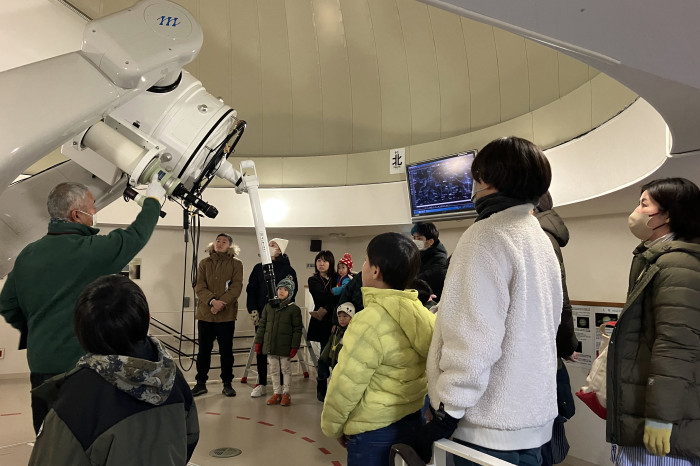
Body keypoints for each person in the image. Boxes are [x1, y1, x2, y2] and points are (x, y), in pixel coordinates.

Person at [414, 136, 562, 465]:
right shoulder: (538, 238)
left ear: (489, 180)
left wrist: (447, 412)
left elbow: (473, 336)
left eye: (476, 178)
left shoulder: (485, 236)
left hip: (484, 426)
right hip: (532, 421)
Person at [0, 180, 164, 434]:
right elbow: (136, 236)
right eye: (92, 206)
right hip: (82, 368)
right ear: (76, 215)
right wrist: (153, 201)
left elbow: (7, 304)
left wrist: (37, 329)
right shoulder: (90, 251)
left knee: (47, 437)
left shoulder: (28, 254)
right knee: (83, 439)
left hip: (41, 366)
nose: (94, 212)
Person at [28, 274, 199, 465]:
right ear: (147, 318)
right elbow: (190, 435)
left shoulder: (77, 398)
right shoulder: (173, 378)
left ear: (81, 329)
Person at [321, 232, 436, 466]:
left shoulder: (368, 321)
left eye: (365, 261)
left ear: (375, 271)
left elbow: (346, 385)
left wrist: (333, 426)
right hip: (413, 423)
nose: (362, 267)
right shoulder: (425, 317)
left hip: (373, 432)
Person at [608, 178, 700, 465]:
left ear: (667, 214)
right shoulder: (655, 257)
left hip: (664, 420)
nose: (636, 211)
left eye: (644, 204)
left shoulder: (677, 264)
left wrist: (662, 416)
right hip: (644, 402)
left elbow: (676, 345)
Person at [533, 192, 578, 465]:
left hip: (538, 352)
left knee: (542, 436)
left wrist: (566, 344)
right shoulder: (545, 234)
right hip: (544, 351)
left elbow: (559, 301)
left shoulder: (537, 236)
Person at [191, 233, 244, 397]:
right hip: (205, 315)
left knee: (226, 351)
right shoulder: (204, 263)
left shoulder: (236, 264)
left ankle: (227, 384)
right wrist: (212, 302)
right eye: (218, 241)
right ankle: (201, 383)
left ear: (230, 246)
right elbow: (199, 286)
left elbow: (236, 287)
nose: (220, 243)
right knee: (203, 351)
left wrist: (221, 304)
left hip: (226, 316)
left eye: (224, 241)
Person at [246, 237, 298, 398]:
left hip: (281, 317)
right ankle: (261, 383)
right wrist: (253, 310)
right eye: (269, 245)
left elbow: (292, 293)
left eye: (273, 245)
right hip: (263, 316)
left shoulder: (289, 270)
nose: (269, 247)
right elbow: (251, 290)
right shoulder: (258, 268)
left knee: (280, 351)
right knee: (261, 349)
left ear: (280, 249)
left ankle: (281, 387)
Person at [254, 277, 302, 407]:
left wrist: (294, 346)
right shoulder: (268, 307)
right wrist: (259, 342)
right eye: (280, 288)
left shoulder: (294, 309)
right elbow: (262, 325)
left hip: (285, 347)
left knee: (286, 370)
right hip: (270, 346)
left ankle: (286, 393)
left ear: (290, 293)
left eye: (285, 289)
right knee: (274, 370)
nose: (281, 291)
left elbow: (297, 330)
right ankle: (276, 393)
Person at [308, 250, 339, 401]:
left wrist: (327, 307)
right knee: (324, 356)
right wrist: (336, 296)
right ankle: (321, 388)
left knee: (338, 355)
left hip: (338, 321)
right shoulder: (313, 280)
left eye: (325, 261)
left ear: (331, 263)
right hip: (322, 322)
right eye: (319, 261)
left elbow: (342, 295)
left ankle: (337, 388)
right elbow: (322, 296)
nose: (321, 264)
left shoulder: (338, 278)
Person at [316, 302, 355, 402]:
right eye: (339, 316)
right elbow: (330, 345)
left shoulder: (353, 332)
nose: (341, 319)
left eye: (345, 316)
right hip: (335, 361)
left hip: (346, 365)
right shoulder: (336, 331)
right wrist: (324, 358)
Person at [411, 222, 449, 300]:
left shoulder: (440, 259)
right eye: (414, 238)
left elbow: (424, 280)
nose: (415, 241)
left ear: (431, 241)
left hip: (432, 301)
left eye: (419, 238)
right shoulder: (421, 254)